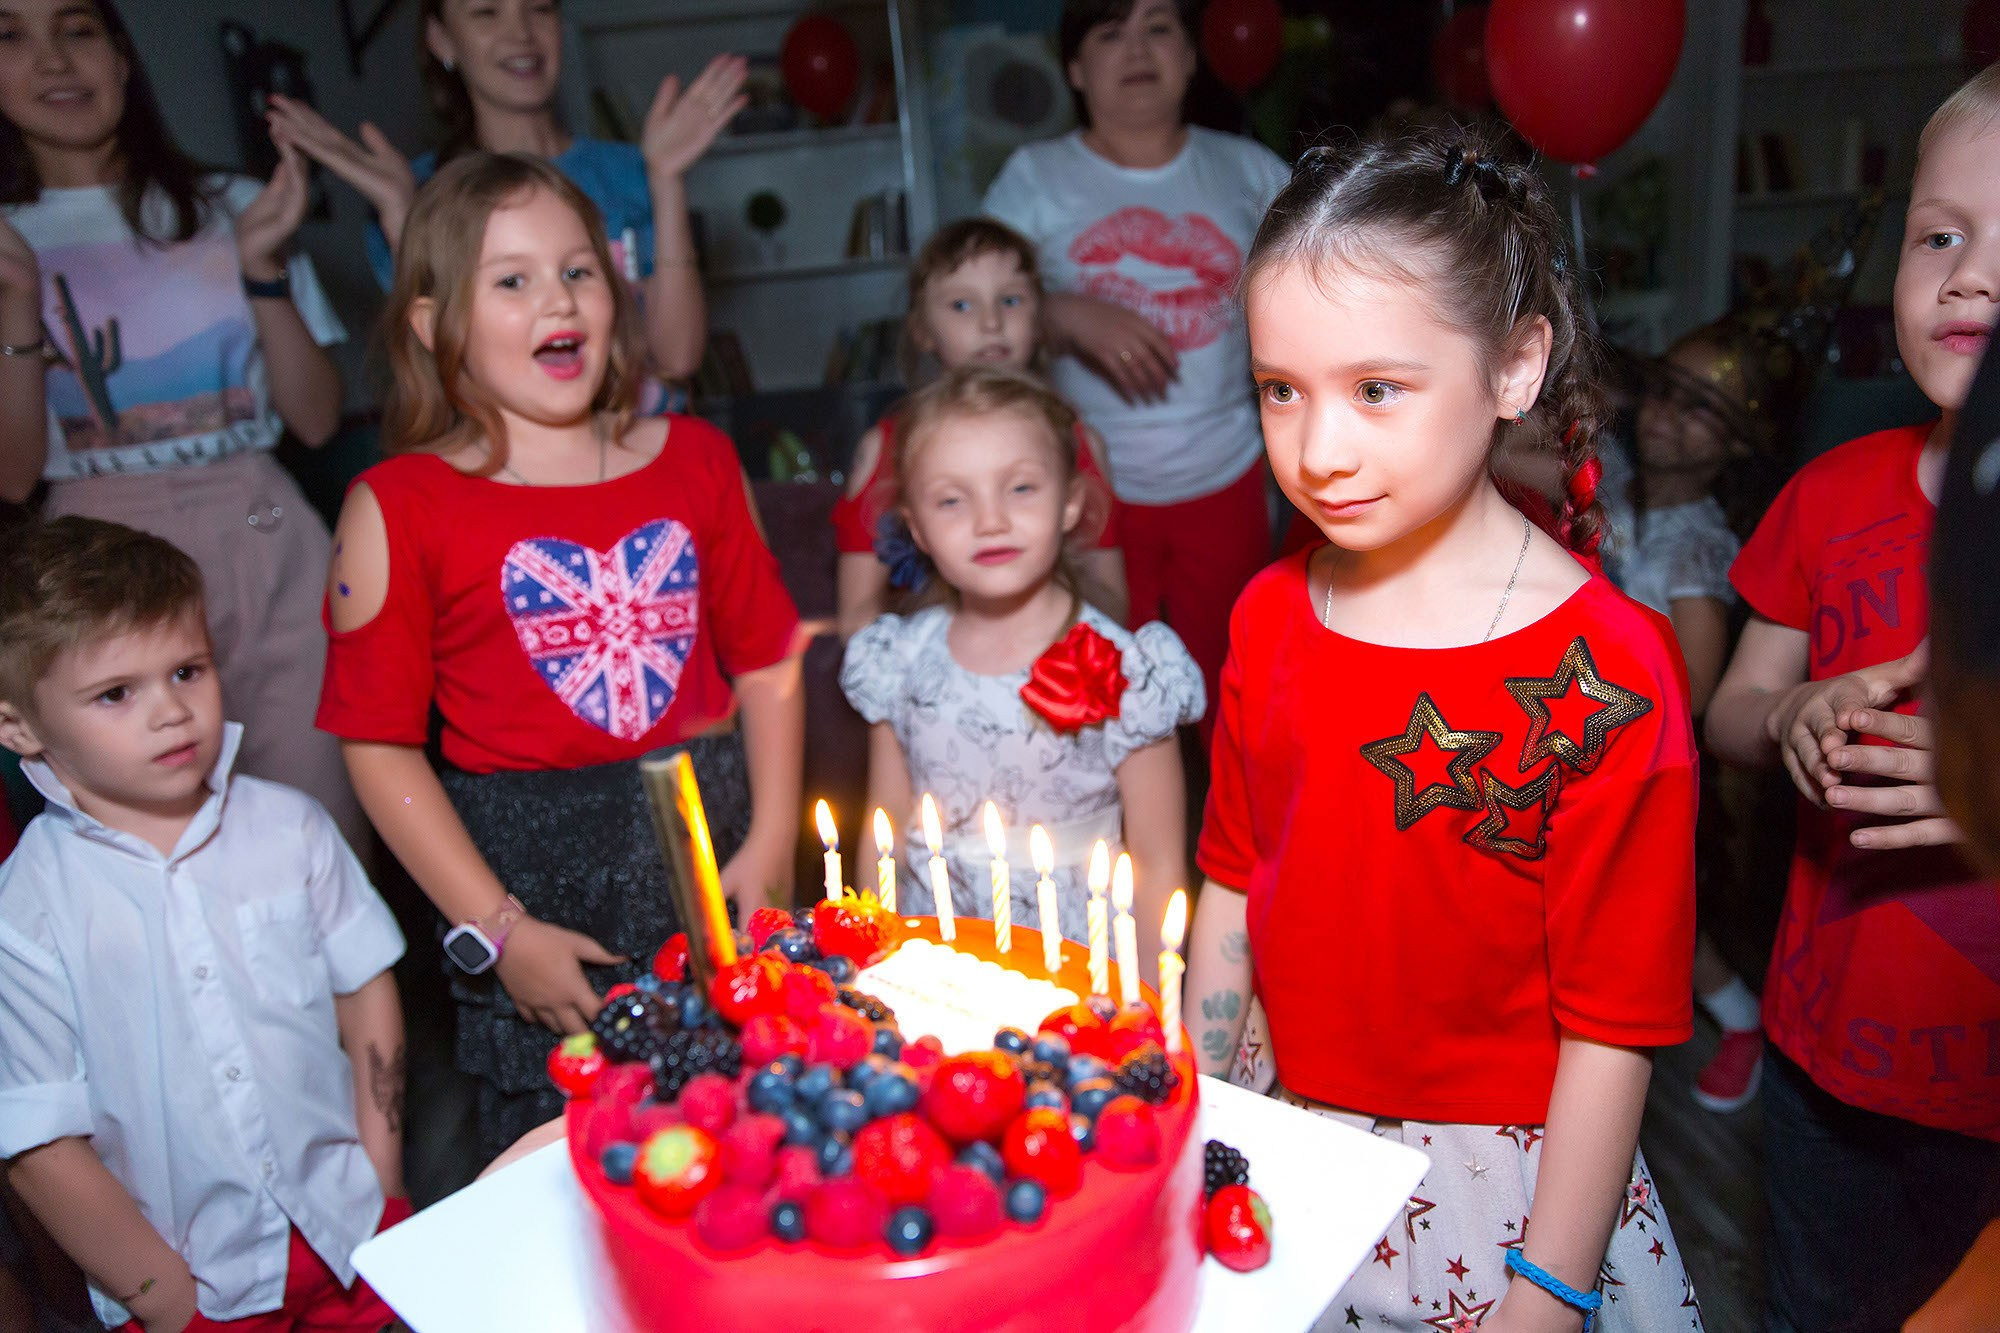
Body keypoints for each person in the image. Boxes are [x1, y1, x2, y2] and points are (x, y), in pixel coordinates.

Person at [1184, 129, 1702, 1331]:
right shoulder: (1268, 612)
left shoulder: (1609, 674)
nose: (1316, 450)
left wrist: (1549, 1290)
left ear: (1516, 367)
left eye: (1375, 389)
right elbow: (1228, 886)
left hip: (1505, 1199)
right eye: (1279, 390)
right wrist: (1200, 1117)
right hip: (1285, 1148)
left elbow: (1611, 1030)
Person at [316, 152, 805, 1161]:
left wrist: (768, 843)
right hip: (532, 890)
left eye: (579, 270)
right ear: (430, 323)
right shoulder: (397, 506)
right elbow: (377, 747)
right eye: (512, 279)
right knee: (569, 1174)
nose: (559, 299)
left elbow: (768, 662)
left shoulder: (698, 460)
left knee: (750, 1147)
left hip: (710, 848)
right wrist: (498, 931)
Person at [1704, 65, 2000, 1333]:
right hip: (1821, 1073)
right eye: (1939, 235)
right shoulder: (1831, 490)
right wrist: (1791, 717)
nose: (1967, 276)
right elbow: (1728, 708)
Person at [0, 518, 408, 1333]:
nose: (172, 712)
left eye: (187, 669)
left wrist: (382, 1172)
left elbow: (364, 988)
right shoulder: (26, 908)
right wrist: (162, 1295)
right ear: (21, 728)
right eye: (117, 693)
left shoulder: (289, 827)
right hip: (196, 1281)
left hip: (353, 1233)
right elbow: (39, 1142)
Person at [0, 0, 363, 848]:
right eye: (10, 34)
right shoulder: (9, 241)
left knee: (324, 831)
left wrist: (263, 271)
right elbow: (13, 476)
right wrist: (19, 307)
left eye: (78, 29)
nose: (54, 60)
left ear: (123, 57)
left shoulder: (233, 205)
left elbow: (314, 418)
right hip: (94, 559)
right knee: (156, 861)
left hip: (266, 528)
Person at [982, 0, 1290, 733]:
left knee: (1240, 704)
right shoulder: (1034, 176)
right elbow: (961, 301)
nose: (1137, 51)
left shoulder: (1248, 171)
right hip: (1083, 487)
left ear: (1191, 56)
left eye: (1159, 29)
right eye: (1110, 33)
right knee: (1094, 706)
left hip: (1227, 475)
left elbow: (1334, 284)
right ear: (1075, 69)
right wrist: (1059, 310)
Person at [840, 366, 1200, 960]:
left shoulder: (1129, 673)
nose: (990, 520)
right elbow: (883, 828)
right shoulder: (897, 661)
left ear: (1070, 503)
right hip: (937, 958)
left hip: (1080, 967)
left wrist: (1146, 1003)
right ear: (918, 530)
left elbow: (1160, 861)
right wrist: (871, 963)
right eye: (952, 500)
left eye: (1021, 488)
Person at [267, 0, 742, 409]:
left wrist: (665, 178)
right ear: (441, 39)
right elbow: (446, 386)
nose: (521, 33)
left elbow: (677, 357)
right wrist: (402, 215)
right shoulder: (420, 195)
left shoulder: (633, 172)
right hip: (519, 489)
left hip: (649, 468)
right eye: (487, 12)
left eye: (539, 8)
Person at [1600, 323, 1788, 1114]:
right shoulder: (1613, 482)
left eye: (1699, 408)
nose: (1665, 415)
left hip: (1656, 764)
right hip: (1596, 749)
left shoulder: (1696, 547)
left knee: (1676, 929)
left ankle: (1743, 1022)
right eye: (1664, 392)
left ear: (1739, 445)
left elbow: (1700, 686)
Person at [833, 218, 1129, 635]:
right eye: (962, 305)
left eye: (1010, 300)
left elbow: (1113, 601)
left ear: (1040, 318)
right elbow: (856, 617)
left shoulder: (1080, 443)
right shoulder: (886, 447)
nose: (991, 323)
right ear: (921, 330)